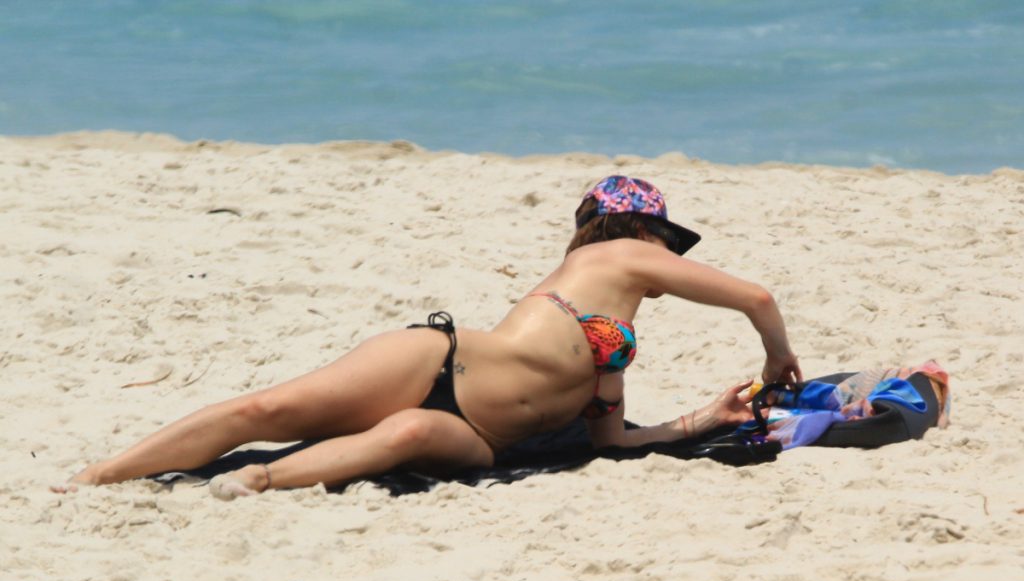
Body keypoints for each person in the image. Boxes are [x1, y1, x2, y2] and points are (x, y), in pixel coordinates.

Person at [52, 176, 802, 500]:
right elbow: (757, 296)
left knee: (407, 434)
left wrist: (704, 418)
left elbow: (608, 443)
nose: (669, 253)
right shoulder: (617, 254)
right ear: (640, 229)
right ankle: (101, 473)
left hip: (477, 434)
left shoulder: (616, 330)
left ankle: (256, 481)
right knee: (270, 412)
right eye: (663, 237)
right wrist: (776, 354)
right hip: (441, 358)